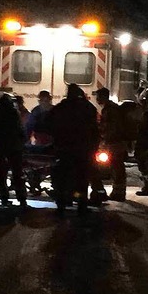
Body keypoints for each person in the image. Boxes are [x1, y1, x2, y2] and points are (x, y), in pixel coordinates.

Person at [48, 84, 99, 216]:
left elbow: (47, 123)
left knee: (62, 178)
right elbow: (95, 129)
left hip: (63, 149)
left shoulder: (60, 108)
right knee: (82, 179)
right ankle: (81, 205)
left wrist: (56, 139)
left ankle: (61, 205)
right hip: (83, 150)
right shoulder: (88, 108)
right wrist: (94, 147)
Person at [0, 94, 27, 207]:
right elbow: (20, 129)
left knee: (1, 173)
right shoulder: (13, 113)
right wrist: (23, 142)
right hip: (14, 147)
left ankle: (4, 197)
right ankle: (22, 198)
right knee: (17, 173)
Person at [93, 87, 126, 202]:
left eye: (98, 97)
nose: (97, 99)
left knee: (117, 167)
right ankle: (118, 192)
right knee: (116, 167)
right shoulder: (111, 108)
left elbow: (109, 127)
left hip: (114, 142)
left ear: (103, 97)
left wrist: (101, 135)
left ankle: (119, 193)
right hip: (116, 142)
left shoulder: (109, 110)